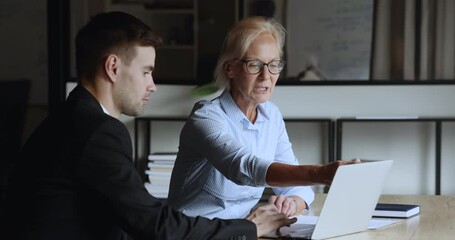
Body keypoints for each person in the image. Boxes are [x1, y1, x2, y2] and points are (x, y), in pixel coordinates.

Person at [2, 12, 296, 240]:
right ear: (113, 67)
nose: (152, 86)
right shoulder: (96, 131)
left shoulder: (73, 117)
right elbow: (154, 224)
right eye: (146, 72)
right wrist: (248, 229)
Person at [168, 16, 357, 219]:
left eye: (274, 64)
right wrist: (321, 173)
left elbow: (299, 188)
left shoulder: (271, 115)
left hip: (238, 231)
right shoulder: (206, 117)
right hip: (191, 232)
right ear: (229, 68)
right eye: (254, 65)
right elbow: (243, 167)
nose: (266, 76)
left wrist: (291, 203)